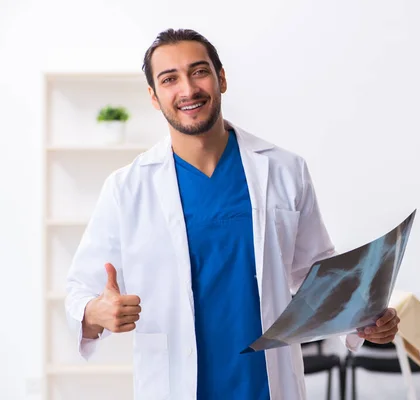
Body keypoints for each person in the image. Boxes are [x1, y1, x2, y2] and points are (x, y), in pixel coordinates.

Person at [64, 28, 400, 400]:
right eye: (169, 79)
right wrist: (96, 313)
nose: (188, 89)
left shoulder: (286, 170)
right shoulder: (127, 188)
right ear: (154, 97)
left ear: (221, 78)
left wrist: (366, 320)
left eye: (199, 71)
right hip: (176, 385)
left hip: (268, 385)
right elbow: (81, 289)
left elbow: (316, 273)